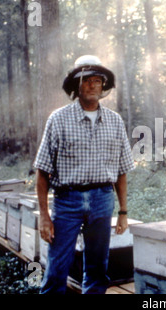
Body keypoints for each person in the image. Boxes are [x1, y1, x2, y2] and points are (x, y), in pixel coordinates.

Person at [33, 55, 135, 294]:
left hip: (102, 199)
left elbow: (121, 172)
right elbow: (42, 172)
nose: (92, 85)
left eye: (97, 80)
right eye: (86, 80)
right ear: (77, 86)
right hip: (67, 201)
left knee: (98, 269)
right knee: (58, 267)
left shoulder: (115, 121)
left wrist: (122, 212)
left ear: (103, 86)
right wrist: (44, 216)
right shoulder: (58, 119)